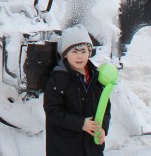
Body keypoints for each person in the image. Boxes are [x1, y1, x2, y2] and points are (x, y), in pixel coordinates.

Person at [44, 24, 111, 156]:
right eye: (74, 51)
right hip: (66, 147)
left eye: (83, 51)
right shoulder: (58, 79)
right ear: (66, 54)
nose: (79, 56)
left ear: (89, 53)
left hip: (92, 147)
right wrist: (81, 123)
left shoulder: (96, 78)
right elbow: (53, 111)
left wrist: (103, 128)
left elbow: (105, 105)